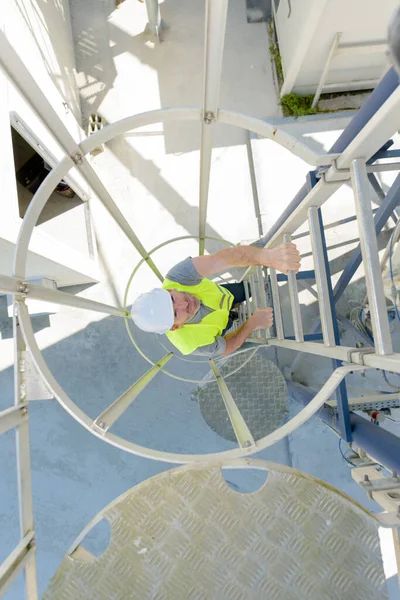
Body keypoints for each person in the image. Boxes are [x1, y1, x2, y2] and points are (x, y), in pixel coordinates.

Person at [131, 242, 301, 357]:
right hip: (219, 325)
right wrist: (252, 324)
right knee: (229, 322)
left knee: (243, 290)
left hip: (224, 296)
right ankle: (232, 317)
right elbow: (227, 346)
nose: (185, 303)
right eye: (176, 313)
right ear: (176, 327)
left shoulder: (178, 277)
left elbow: (223, 258)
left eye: (172, 298)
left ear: (169, 289)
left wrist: (267, 257)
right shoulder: (189, 344)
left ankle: (240, 303)